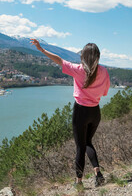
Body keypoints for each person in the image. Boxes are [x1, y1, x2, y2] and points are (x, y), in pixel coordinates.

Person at [30, 38, 110, 188]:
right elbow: (105, 92)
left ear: (83, 56)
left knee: (80, 146)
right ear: (98, 56)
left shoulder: (78, 69)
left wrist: (41, 49)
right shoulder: (104, 71)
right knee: (88, 143)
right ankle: (98, 174)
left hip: (81, 111)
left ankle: (79, 182)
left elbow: (59, 60)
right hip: (95, 112)